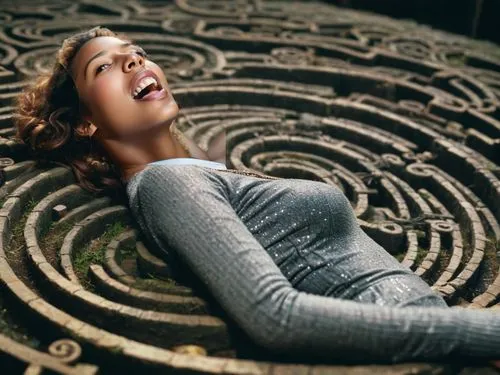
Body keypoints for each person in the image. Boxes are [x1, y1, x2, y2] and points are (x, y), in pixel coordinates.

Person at [13, 26, 500, 368]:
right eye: (105, 67)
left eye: (134, 50)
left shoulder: (194, 172)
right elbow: (275, 316)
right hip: (422, 344)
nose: (134, 60)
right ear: (85, 123)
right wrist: (480, 332)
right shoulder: (167, 183)